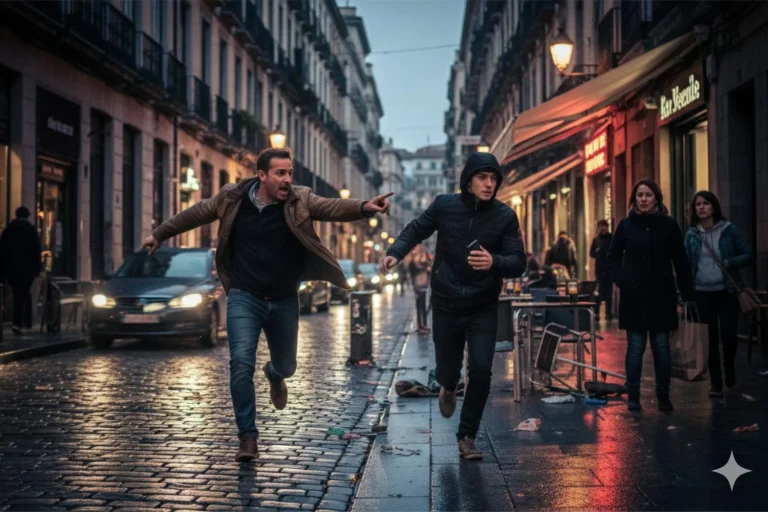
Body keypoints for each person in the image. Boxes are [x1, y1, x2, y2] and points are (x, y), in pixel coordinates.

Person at [141, 148, 393, 462]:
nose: (287, 179)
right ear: (262, 175)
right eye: (280, 173)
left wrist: (365, 207)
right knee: (240, 365)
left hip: (285, 298)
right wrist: (159, 234)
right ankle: (247, 437)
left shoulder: (300, 199)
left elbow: (331, 207)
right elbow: (196, 213)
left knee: (287, 365)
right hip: (245, 297)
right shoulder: (232, 198)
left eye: (289, 173)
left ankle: (274, 375)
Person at [379, 151, 526, 460]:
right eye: (482, 178)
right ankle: (447, 387)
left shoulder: (504, 216)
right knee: (448, 371)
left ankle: (467, 437)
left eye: (493, 179)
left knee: (482, 370)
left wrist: (494, 261)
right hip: (446, 303)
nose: (489, 185)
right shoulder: (445, 206)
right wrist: (395, 253)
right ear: (468, 180)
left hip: (483, 305)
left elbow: (518, 261)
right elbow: (416, 229)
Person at [607, 179, 694, 412]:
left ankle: (663, 396)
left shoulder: (668, 225)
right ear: (634, 199)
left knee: (661, 349)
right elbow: (612, 257)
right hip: (633, 297)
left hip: (662, 296)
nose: (643, 199)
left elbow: (681, 261)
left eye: (648, 195)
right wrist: (622, 280)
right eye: (640, 195)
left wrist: (687, 295)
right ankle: (633, 396)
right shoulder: (626, 225)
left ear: (656, 198)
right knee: (635, 348)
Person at [684, 191, 752, 398]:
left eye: (706, 203)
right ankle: (716, 382)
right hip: (702, 294)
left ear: (714, 206)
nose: (702, 207)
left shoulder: (729, 230)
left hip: (727, 292)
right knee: (710, 339)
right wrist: (684, 293)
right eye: (698, 205)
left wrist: (730, 262)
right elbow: (685, 264)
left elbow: (747, 254)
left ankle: (729, 368)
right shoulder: (691, 235)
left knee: (729, 336)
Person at [0, 207, 42, 335]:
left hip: (10, 268)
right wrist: (37, 269)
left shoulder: (8, 230)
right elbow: (36, 251)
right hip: (26, 269)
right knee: (21, 294)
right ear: (28, 216)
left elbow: (2, 250)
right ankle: (18, 323)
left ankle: (21, 321)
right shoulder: (31, 230)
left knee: (16, 294)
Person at [590, 220, 614, 320]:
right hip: (599, 270)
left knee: (609, 293)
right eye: (601, 226)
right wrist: (596, 251)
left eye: (604, 226)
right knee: (598, 293)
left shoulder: (611, 238)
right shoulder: (596, 240)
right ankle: (597, 313)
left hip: (609, 269)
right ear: (598, 228)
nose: (603, 228)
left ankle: (608, 313)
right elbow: (591, 253)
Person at [408, 244, 431, 333]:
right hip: (418, 285)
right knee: (419, 305)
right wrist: (414, 286)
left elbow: (429, 271)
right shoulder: (413, 262)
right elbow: (412, 275)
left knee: (423, 304)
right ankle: (420, 324)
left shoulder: (425, 261)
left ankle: (424, 324)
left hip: (424, 284)